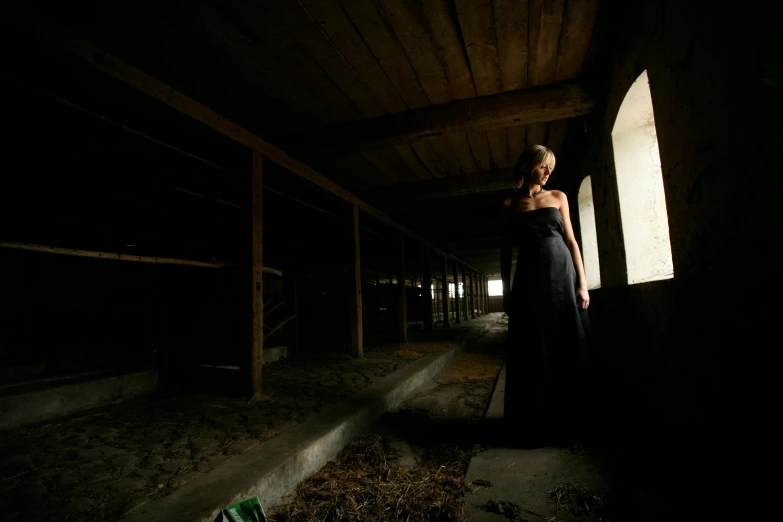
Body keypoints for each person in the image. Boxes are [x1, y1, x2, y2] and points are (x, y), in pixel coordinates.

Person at [500, 144, 590, 447]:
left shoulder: (558, 197)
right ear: (527, 167)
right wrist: (507, 291)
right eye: (543, 166)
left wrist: (583, 282)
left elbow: (571, 241)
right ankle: (532, 424)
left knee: (566, 341)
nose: (549, 172)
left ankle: (570, 423)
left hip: (563, 276)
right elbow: (505, 252)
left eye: (551, 167)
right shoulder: (510, 203)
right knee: (533, 346)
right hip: (529, 280)